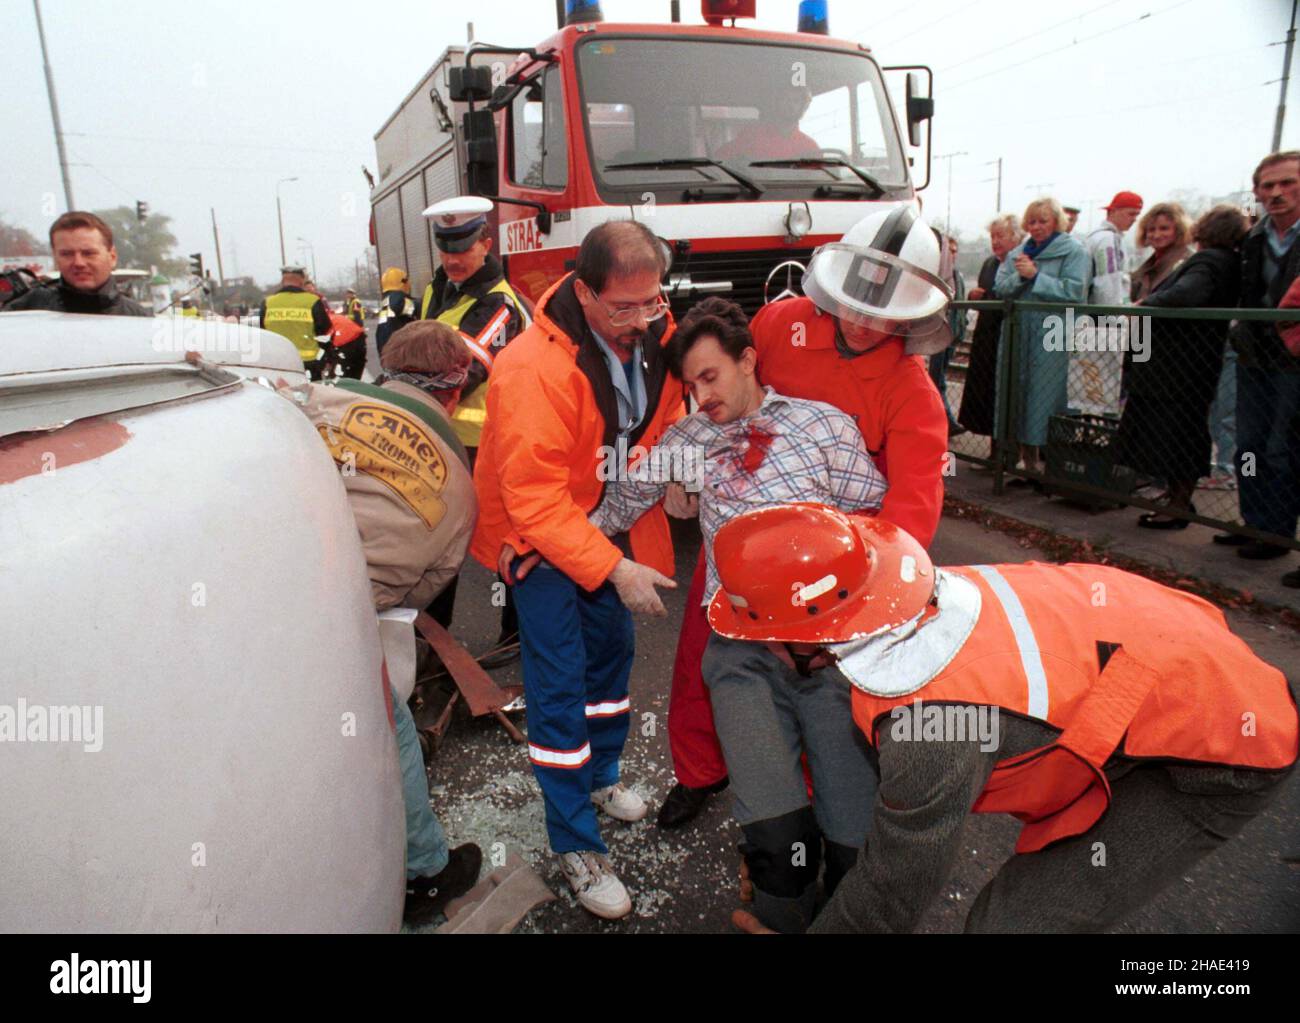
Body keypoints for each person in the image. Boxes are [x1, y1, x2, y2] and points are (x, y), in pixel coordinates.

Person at [719, 504, 1298, 934]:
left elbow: (893, 894)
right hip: (1178, 661)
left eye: (766, 638)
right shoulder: (916, 602)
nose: (763, 652)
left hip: (1225, 749)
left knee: (1017, 925)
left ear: (811, 639)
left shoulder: (927, 727)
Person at [592, 297, 887, 933]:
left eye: (711, 376)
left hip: (833, 656)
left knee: (853, 845)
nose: (702, 397)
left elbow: (883, 530)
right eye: (690, 385)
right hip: (742, 655)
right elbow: (610, 512)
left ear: (748, 360)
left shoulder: (821, 427)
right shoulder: (689, 441)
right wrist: (545, 543)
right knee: (778, 845)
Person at [656, 205, 952, 830]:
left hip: (839, 560)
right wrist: (681, 469)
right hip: (742, 530)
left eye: (883, 312)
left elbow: (911, 507)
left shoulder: (912, 393)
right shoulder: (779, 322)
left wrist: (869, 598)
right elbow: (705, 382)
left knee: (826, 689)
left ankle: (811, 805)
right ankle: (700, 773)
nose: (864, 321)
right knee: (702, 664)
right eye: (855, 304)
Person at [469, 220, 685, 920]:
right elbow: (531, 497)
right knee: (560, 688)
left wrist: (676, 472)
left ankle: (601, 778)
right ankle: (575, 843)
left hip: (598, 526)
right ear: (585, 291)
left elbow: (664, 414)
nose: (641, 319)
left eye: (650, 302)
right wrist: (613, 566)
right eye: (623, 307)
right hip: (536, 541)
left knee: (610, 664)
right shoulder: (533, 367)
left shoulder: (654, 329)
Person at [281, 319, 482, 926]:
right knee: (388, 728)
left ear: (383, 369)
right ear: (456, 392)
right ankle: (426, 870)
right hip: (334, 623)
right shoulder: (462, 491)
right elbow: (423, 589)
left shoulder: (307, 402)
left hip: (251, 591)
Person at [1114, 206, 1248, 528]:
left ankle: (1177, 506)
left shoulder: (1208, 261)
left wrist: (1146, 305)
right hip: (1191, 364)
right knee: (1183, 433)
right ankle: (1177, 500)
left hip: (1176, 366)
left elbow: (1185, 294)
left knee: (1175, 434)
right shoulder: (1228, 262)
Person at [1217, 151, 1300, 574]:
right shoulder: (1254, 238)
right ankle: (1257, 522)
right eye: (1268, 186)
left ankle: (1281, 530)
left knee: (1285, 448)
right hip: (1256, 356)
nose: (1276, 193)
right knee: (1250, 445)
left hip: (1295, 359)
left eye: (1287, 183)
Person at [420, 196, 528, 454]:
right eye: (446, 251)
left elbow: (465, 372)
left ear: (486, 245)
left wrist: (402, 391)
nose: (452, 261)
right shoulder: (435, 290)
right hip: (437, 431)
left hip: (478, 444)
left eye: (463, 250)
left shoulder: (499, 304)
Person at [993, 197, 1089, 479]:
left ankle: (1046, 461)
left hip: (1051, 333)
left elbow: (1076, 291)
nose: (1036, 227)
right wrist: (1022, 278)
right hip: (1019, 332)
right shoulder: (1019, 253)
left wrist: (1036, 277)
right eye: (1032, 221)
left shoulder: (1073, 251)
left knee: (1044, 394)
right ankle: (1021, 457)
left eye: (1043, 221)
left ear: (1056, 222)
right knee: (1016, 392)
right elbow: (1001, 288)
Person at [958, 213, 1023, 448]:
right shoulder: (990, 263)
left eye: (1000, 236)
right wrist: (974, 297)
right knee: (985, 392)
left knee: (1005, 393)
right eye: (992, 236)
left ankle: (1006, 451)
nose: (995, 241)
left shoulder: (1019, 263)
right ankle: (994, 450)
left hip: (1007, 334)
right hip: (987, 334)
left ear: (1015, 237)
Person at [3, 211, 149, 316]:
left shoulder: (139, 320)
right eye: (67, 254)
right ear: (55, 258)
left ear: (112, 256)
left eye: (88, 253)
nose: (78, 263)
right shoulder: (25, 313)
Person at [259, 264, 333, 380]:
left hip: (278, 364)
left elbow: (261, 333)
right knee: (311, 396)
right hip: (308, 364)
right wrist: (328, 358)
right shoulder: (312, 301)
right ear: (302, 280)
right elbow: (325, 333)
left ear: (283, 281)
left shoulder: (268, 303)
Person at [927, 231, 966, 436]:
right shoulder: (943, 275)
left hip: (950, 334)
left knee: (938, 378)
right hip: (938, 334)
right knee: (936, 380)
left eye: (954, 251)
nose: (952, 254)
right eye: (948, 250)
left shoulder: (957, 276)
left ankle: (945, 421)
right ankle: (946, 421)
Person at [716, 86, 819, 161]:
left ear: (803, 107)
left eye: (796, 101)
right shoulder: (751, 136)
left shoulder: (810, 147)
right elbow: (719, 160)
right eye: (785, 99)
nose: (790, 104)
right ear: (777, 103)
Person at [1131, 202, 1194, 303]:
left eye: (1164, 228)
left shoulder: (1190, 262)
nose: (1156, 235)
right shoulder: (1146, 266)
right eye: (1151, 229)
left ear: (1179, 230)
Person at [376, 266, 416, 356]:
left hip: (385, 349)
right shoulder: (397, 298)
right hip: (399, 351)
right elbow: (413, 309)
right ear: (403, 282)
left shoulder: (386, 301)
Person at [335, 287, 368, 379]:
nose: (348, 295)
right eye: (347, 293)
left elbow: (356, 314)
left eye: (350, 293)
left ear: (353, 294)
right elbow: (344, 311)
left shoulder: (355, 302)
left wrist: (357, 325)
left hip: (355, 324)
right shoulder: (348, 302)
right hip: (349, 325)